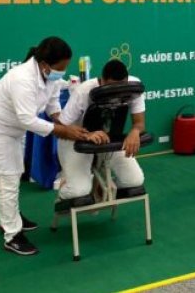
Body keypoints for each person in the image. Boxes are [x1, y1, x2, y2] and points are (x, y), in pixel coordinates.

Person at [0, 37, 96, 256]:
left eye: (65, 68)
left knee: (13, 176)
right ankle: (12, 235)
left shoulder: (50, 75)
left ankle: (10, 218)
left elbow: (53, 105)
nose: (62, 72)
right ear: (45, 64)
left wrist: (66, 124)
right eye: (59, 68)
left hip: (11, 129)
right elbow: (28, 119)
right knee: (8, 179)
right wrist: (64, 131)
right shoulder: (22, 78)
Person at [55, 60, 146, 209]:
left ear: (126, 80)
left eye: (120, 87)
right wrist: (86, 135)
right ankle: (66, 186)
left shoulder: (134, 87)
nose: (116, 91)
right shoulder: (83, 91)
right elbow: (60, 128)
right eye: (111, 87)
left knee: (134, 181)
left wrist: (135, 132)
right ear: (102, 80)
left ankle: (101, 182)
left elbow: (139, 123)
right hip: (76, 141)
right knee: (79, 191)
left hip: (109, 139)